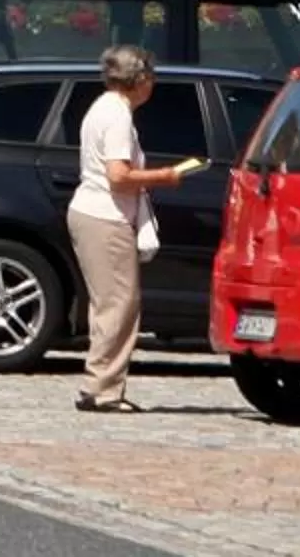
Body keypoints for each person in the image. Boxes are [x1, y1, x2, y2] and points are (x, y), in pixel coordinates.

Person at [66, 43, 203, 413]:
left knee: (107, 303)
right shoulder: (117, 116)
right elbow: (119, 176)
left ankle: (100, 383)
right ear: (140, 79)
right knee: (120, 305)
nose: (153, 84)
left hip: (93, 212)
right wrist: (166, 176)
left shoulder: (103, 107)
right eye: (151, 77)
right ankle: (103, 389)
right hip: (105, 215)